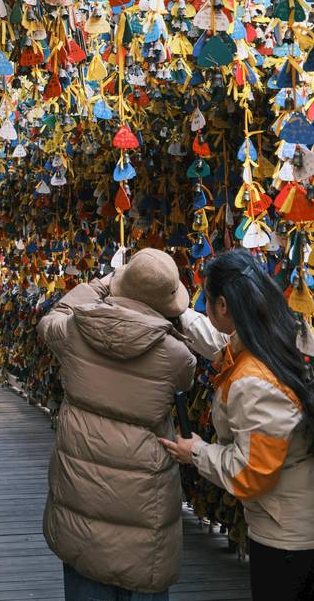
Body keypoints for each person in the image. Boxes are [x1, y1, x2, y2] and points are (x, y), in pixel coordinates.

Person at [160, 250, 314, 601]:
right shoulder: (285, 330)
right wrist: (182, 317)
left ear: (223, 305)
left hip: (295, 533)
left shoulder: (254, 384)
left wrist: (197, 452)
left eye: (205, 300)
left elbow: (251, 473)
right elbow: (225, 346)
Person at [36, 248, 198, 601]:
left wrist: (101, 284)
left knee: (86, 570)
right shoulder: (178, 357)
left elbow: (50, 319)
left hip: (82, 487)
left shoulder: (75, 329)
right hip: (145, 497)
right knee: (143, 579)